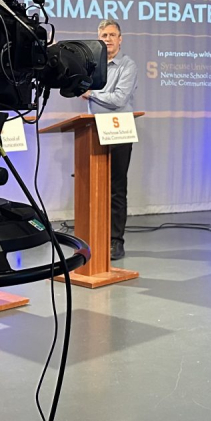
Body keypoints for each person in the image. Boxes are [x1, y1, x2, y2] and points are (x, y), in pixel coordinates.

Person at [82, 19, 139, 261]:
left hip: (119, 130)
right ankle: (96, 236)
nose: (108, 38)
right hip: (93, 130)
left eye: (112, 34)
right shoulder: (93, 66)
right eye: (104, 35)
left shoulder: (128, 65)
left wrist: (92, 92)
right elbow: (78, 88)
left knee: (116, 188)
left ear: (120, 38)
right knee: (94, 188)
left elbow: (118, 99)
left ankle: (116, 241)